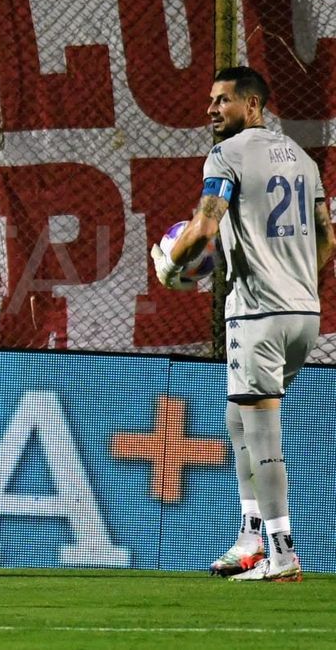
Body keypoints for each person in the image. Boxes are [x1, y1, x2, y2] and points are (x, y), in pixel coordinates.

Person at [151, 66, 334, 583]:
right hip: (303, 313)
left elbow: (204, 227)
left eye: (223, 100)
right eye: (211, 100)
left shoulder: (226, 155)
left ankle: (283, 554)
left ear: (252, 105)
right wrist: (295, 280)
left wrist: (169, 265)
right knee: (239, 420)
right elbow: (328, 240)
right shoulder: (301, 158)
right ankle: (251, 537)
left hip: (257, 314)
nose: (212, 109)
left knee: (261, 434)